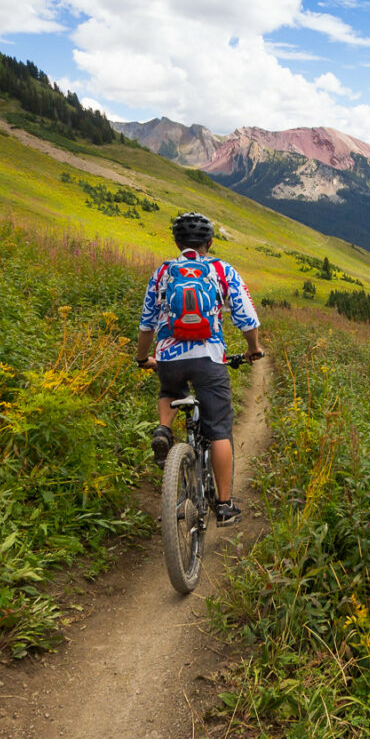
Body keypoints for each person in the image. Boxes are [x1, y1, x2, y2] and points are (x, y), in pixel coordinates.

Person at [135, 211, 264, 525]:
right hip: (208, 359)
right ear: (210, 241)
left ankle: (164, 429)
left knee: (169, 389)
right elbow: (245, 316)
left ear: (177, 242)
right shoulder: (221, 269)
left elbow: (146, 323)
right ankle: (223, 505)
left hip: (168, 357)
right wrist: (253, 348)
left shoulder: (163, 271)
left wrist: (143, 358)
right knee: (218, 429)